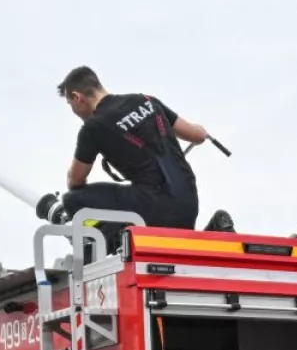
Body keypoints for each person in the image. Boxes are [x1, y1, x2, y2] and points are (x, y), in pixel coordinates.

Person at [38, 66, 232, 243]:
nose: (74, 111)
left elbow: (75, 180)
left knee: (74, 199)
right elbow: (196, 135)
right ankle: (214, 230)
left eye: (70, 104)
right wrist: (204, 132)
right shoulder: (147, 101)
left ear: (77, 97)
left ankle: (113, 245)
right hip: (188, 201)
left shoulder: (93, 127)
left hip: (156, 208)